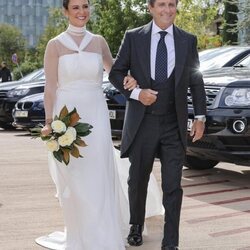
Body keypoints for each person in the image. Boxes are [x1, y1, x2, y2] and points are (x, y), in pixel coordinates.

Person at [35, 0, 162, 249]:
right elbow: (50, 86)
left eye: (85, 6)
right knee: (75, 175)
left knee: (99, 171)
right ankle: (81, 233)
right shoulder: (55, 45)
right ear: (65, 11)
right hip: (67, 115)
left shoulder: (99, 42)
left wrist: (132, 81)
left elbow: (114, 73)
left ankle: (104, 232)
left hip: (96, 113)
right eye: (75, 8)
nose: (82, 12)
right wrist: (49, 122)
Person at [109, 0, 207, 249]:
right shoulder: (133, 37)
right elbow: (116, 73)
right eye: (161, 4)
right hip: (143, 123)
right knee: (138, 179)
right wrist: (137, 93)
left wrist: (200, 117)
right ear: (150, 8)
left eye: (172, 4)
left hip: (174, 124)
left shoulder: (188, 40)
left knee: (173, 185)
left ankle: (171, 241)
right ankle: (136, 226)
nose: (167, 9)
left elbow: (196, 80)